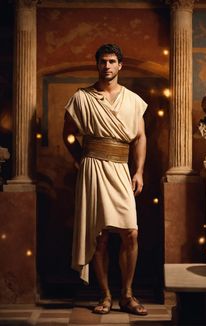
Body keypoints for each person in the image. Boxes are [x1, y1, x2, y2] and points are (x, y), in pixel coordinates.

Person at [63, 44, 148, 316]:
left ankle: (127, 294)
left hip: (121, 168)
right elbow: (67, 133)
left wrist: (139, 171)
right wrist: (81, 159)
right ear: (97, 64)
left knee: (130, 233)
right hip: (93, 167)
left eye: (112, 61)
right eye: (103, 61)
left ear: (120, 65)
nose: (107, 66)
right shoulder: (81, 97)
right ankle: (106, 295)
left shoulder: (134, 100)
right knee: (98, 235)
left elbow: (140, 137)